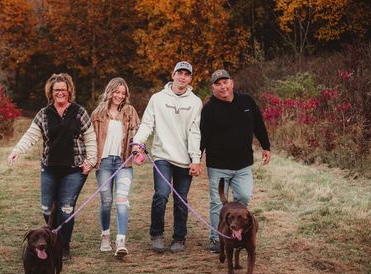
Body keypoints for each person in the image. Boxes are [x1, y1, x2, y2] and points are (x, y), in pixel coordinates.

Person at [7, 73, 97, 261]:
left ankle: (63, 247)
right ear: (51, 92)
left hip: (74, 169)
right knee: (47, 208)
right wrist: (17, 150)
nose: (60, 93)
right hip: (50, 168)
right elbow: (31, 135)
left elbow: (90, 137)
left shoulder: (79, 112)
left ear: (69, 91)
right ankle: (54, 237)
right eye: (56, 90)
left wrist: (91, 160)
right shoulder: (44, 114)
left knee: (65, 208)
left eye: (63, 90)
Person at [132, 61, 202, 253]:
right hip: (162, 156)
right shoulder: (157, 98)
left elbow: (195, 133)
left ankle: (179, 238)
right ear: (173, 75)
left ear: (190, 78)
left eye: (186, 75)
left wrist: (196, 159)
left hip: (185, 159)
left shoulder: (196, 102)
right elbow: (147, 124)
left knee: (181, 200)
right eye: (179, 73)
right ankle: (156, 235)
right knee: (161, 195)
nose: (182, 77)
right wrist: (138, 142)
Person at [200, 69, 271, 253]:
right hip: (218, 165)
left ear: (232, 82)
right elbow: (203, 136)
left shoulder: (247, 101)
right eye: (218, 83)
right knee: (217, 203)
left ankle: (238, 232)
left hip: (243, 165)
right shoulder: (208, 109)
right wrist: (196, 158)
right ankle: (217, 238)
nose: (223, 86)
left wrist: (266, 146)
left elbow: (258, 124)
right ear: (213, 87)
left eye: (225, 82)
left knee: (244, 198)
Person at [91, 77, 140, 258]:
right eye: (116, 92)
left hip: (123, 163)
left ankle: (121, 241)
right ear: (110, 92)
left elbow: (137, 133)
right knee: (106, 201)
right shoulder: (98, 113)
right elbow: (90, 138)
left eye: (122, 93)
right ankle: (105, 235)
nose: (119, 96)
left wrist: (137, 148)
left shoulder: (130, 112)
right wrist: (89, 159)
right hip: (103, 163)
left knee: (122, 200)